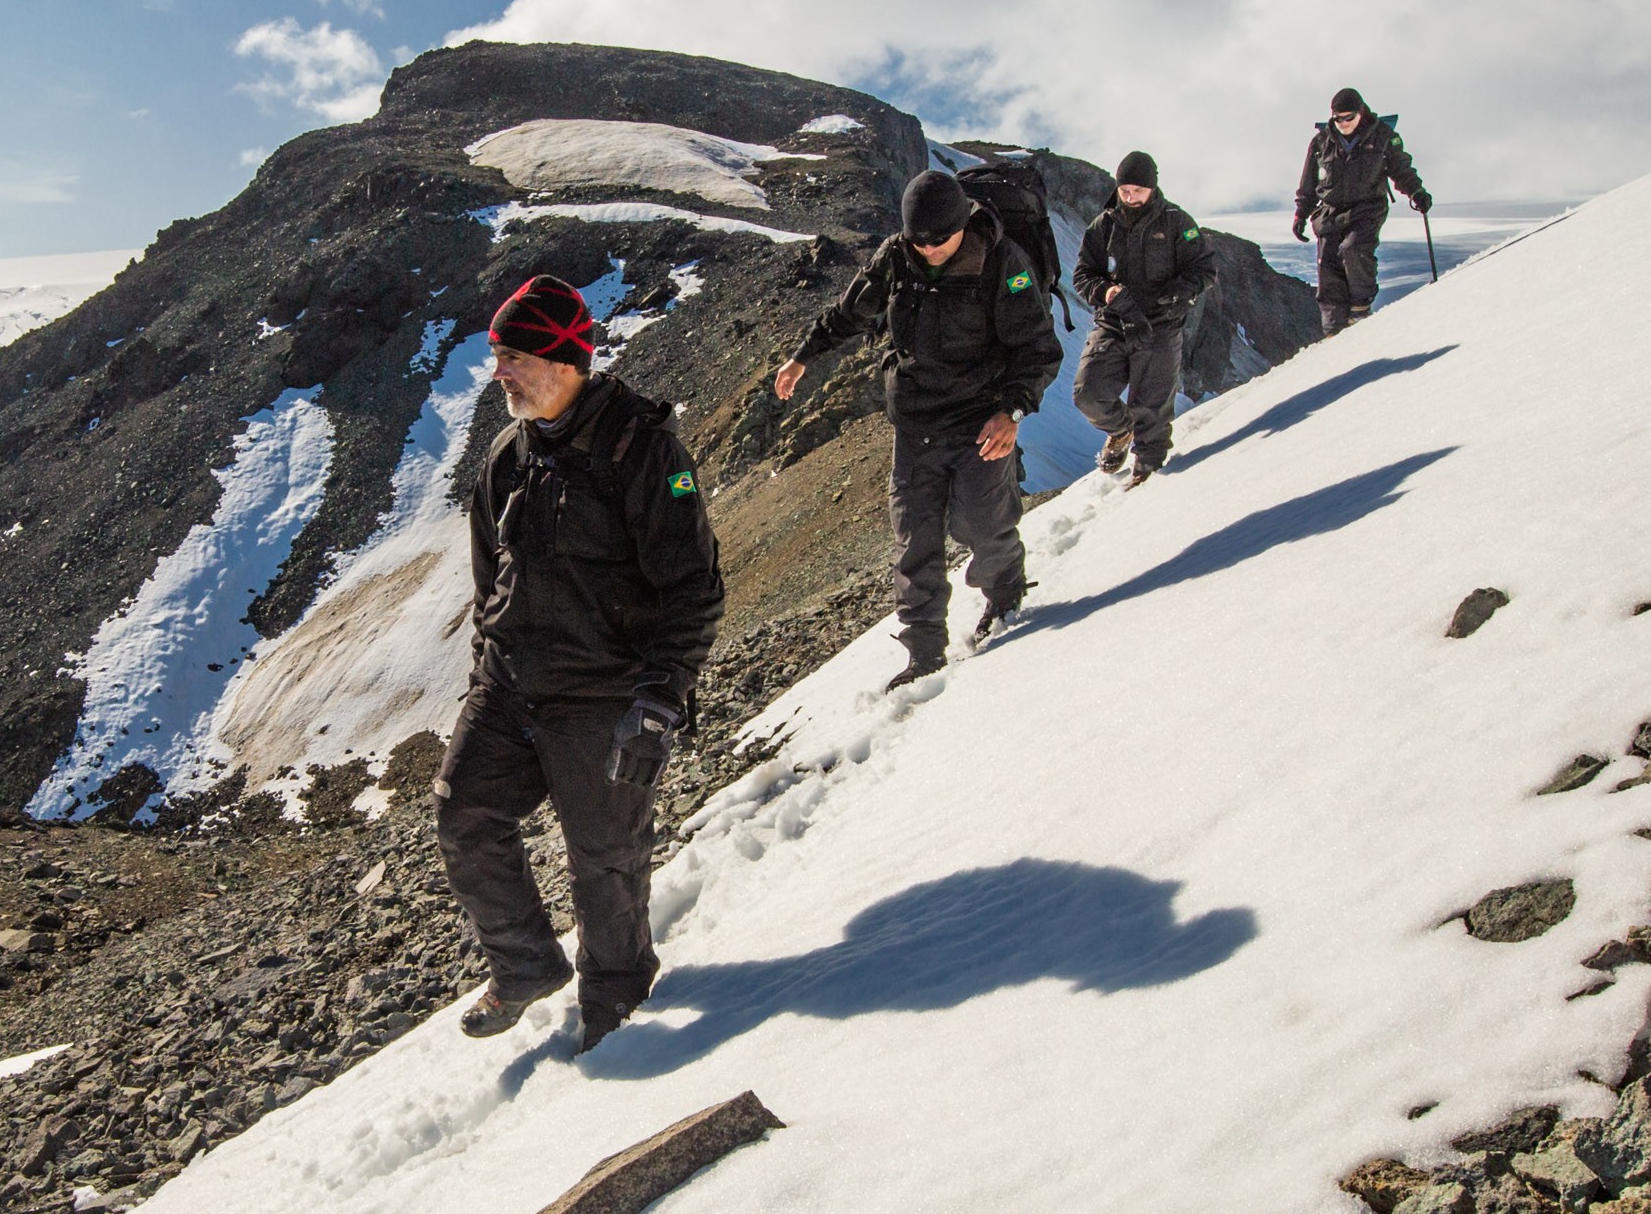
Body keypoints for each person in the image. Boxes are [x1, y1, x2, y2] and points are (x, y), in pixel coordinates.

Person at [440, 274, 726, 1052]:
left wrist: (660, 699)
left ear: (567, 359)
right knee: (463, 814)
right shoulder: (508, 453)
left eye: (515, 357)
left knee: (605, 861)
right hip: (509, 687)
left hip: (604, 696)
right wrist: (484, 675)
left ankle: (616, 1004)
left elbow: (694, 589)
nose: (499, 372)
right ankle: (527, 964)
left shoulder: (643, 448)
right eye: (498, 355)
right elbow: (487, 575)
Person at [771, 168, 1060, 689]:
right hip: (915, 427)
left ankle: (1006, 592)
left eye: (937, 239)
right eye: (917, 239)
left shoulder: (1002, 264)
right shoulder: (895, 256)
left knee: (980, 526)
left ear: (962, 225)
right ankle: (924, 651)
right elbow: (848, 313)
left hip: (980, 424)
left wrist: (1012, 413)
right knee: (915, 541)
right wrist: (801, 358)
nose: (926, 249)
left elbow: (1039, 350)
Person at [1071, 151, 1216, 488]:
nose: (1131, 197)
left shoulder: (1178, 222)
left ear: (1153, 188)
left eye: (1138, 191)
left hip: (1160, 325)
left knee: (1151, 406)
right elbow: (1083, 275)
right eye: (1125, 191)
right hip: (1114, 323)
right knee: (1088, 394)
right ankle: (1121, 431)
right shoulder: (1102, 225)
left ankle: (1147, 477)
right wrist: (1105, 292)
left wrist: (1181, 291)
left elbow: (1204, 268)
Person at [1292, 86, 1430, 336]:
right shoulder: (1321, 142)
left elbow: (1401, 169)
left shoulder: (1382, 136)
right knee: (1328, 268)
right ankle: (1334, 331)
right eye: (1338, 119)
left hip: (1367, 209)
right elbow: (1308, 183)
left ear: (1361, 112)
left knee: (1354, 249)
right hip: (1330, 214)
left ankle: (1360, 309)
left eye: (1349, 118)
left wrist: (1416, 192)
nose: (1343, 123)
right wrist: (1301, 214)